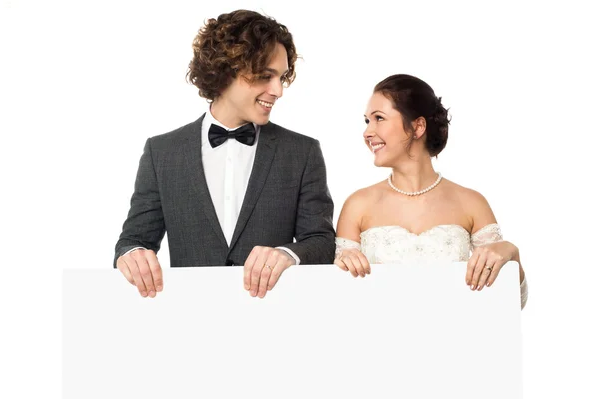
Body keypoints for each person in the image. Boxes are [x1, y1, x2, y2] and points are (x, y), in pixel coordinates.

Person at [114, 10, 335, 299]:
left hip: (276, 316)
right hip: (187, 316)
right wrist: (132, 255)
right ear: (225, 70)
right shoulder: (162, 152)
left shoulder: (302, 152)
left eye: (281, 77)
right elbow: (133, 240)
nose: (278, 90)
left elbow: (321, 241)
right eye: (266, 76)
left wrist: (287, 253)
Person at [334, 74, 528, 309]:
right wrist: (340, 269)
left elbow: (510, 304)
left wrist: (511, 254)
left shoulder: (472, 203)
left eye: (379, 118)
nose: (367, 132)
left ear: (418, 126)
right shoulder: (357, 205)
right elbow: (340, 301)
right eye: (367, 121)